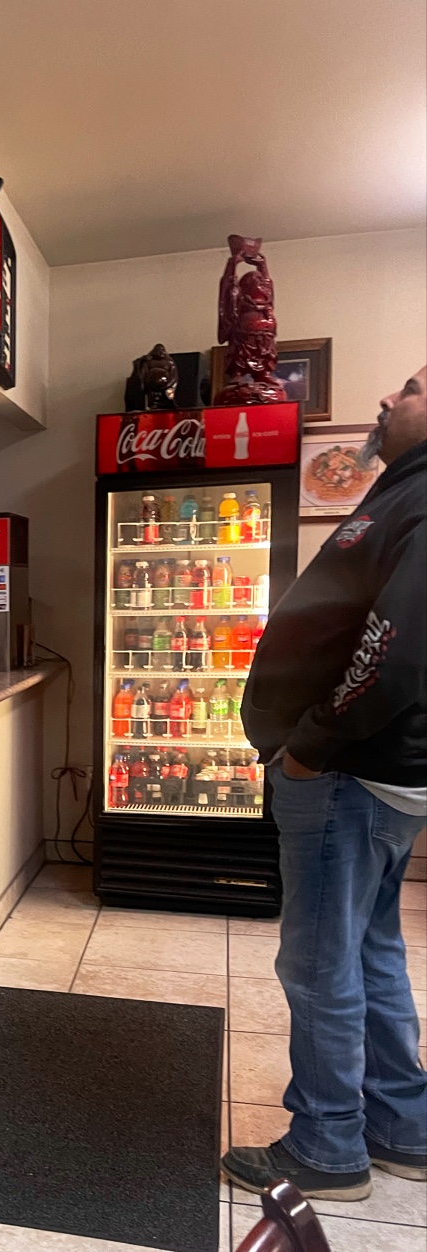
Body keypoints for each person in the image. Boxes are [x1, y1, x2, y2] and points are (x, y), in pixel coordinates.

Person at [222, 366, 427, 1201]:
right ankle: (402, 1127)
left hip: (348, 775)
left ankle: (327, 1146)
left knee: (316, 965)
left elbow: (396, 653)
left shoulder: (423, 499)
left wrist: (311, 743)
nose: (388, 400)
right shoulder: (406, 491)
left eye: (411, 388)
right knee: (371, 948)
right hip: (372, 777)